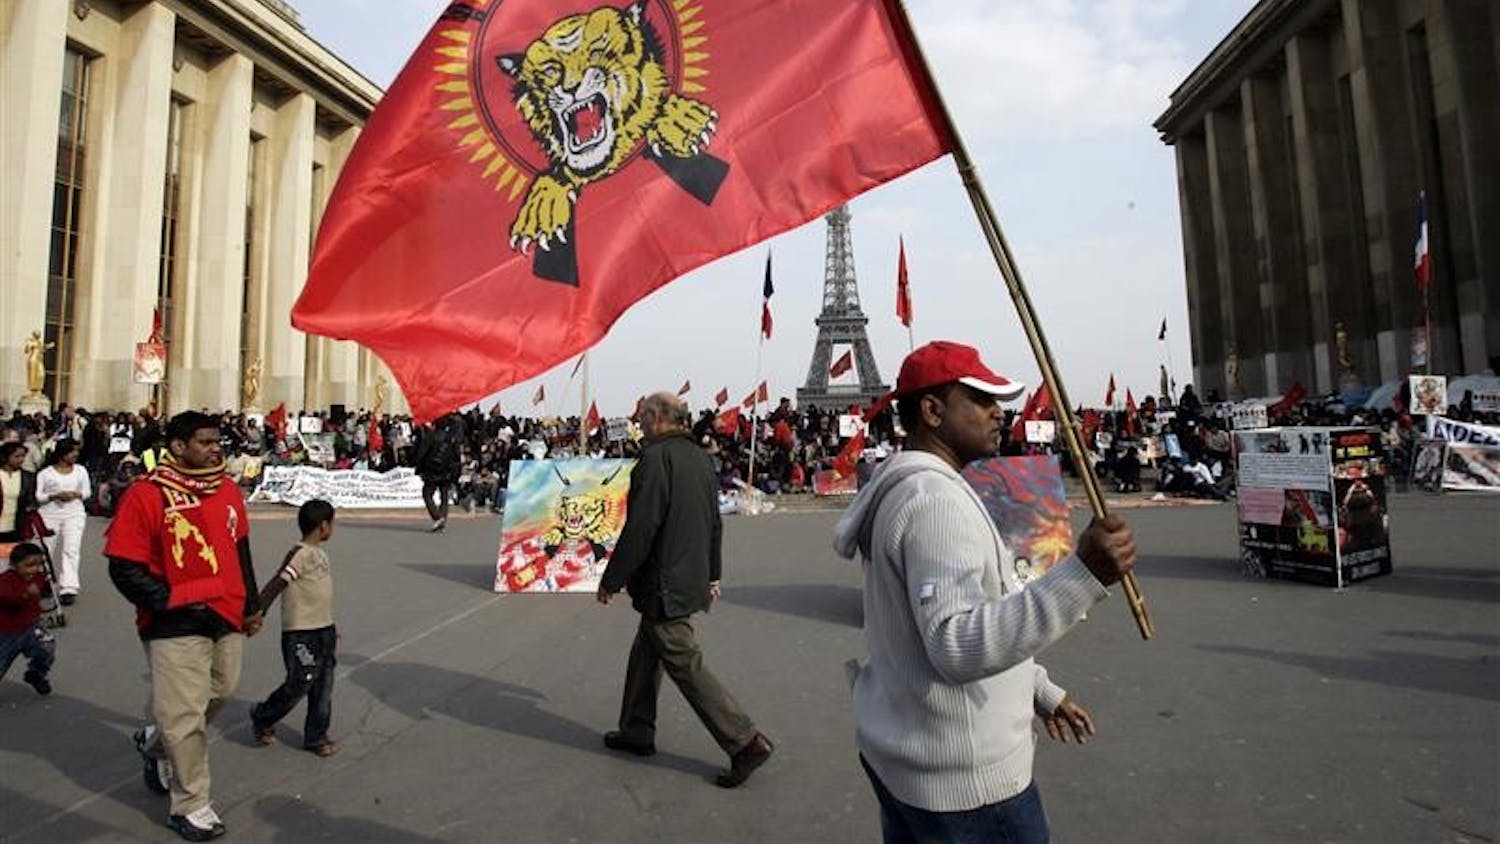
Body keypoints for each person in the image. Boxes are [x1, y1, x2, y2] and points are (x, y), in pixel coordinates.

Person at [832, 340, 1138, 843]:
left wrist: (1038, 690)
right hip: (968, 789)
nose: (999, 413)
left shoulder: (911, 490)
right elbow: (955, 642)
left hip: (918, 764)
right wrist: (1083, 575)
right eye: (980, 399)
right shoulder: (936, 503)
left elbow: (948, 622)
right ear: (932, 410)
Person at [596, 392, 774, 789]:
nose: (638, 424)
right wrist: (712, 573)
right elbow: (715, 523)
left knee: (682, 660)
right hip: (687, 575)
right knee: (648, 650)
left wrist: (612, 578)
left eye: (642, 417)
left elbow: (642, 527)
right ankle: (636, 729)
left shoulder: (656, 460)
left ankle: (744, 741)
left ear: (659, 418)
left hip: (664, 580)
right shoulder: (698, 458)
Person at [106, 410, 262, 842]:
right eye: (206, 443)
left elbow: (240, 548)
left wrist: (250, 603)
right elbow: (124, 567)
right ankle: (191, 805)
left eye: (218, 443)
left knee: (221, 691)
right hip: (174, 622)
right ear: (177, 447)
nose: (216, 449)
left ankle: (156, 744)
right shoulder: (146, 495)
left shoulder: (228, 489)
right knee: (185, 715)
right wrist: (169, 603)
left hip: (226, 612)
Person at [251, 499, 340, 757]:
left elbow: (320, 594)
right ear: (323, 526)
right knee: (301, 681)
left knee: (323, 686)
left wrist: (331, 628)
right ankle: (263, 715)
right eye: (332, 524)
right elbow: (277, 583)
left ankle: (316, 736)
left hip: (324, 630)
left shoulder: (321, 554)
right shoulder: (299, 554)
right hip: (301, 633)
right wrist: (259, 612)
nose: (332, 529)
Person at [35, 439, 91, 605]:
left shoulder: (80, 470)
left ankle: (68, 587)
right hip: (49, 514)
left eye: (76, 451)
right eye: (72, 451)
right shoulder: (45, 473)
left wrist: (76, 495)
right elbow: (39, 496)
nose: (75, 454)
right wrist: (54, 496)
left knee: (71, 549)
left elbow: (87, 492)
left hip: (74, 513)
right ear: (62, 453)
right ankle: (44, 581)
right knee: (46, 549)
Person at [0, 542, 55, 695]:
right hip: (7, 632)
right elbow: (10, 599)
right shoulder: (5, 581)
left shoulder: (38, 577)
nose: (35, 569)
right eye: (29, 565)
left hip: (31, 627)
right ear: (14, 565)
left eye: (39, 564)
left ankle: (36, 674)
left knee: (46, 649)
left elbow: (39, 592)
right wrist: (25, 595)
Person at [414, 414, 462, 532]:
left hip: (431, 471)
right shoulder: (451, 438)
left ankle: (437, 517)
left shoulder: (431, 436)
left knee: (427, 494)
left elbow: (421, 454)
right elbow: (456, 457)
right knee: (444, 497)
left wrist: (418, 469)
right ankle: (442, 520)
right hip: (446, 471)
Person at [0, 442, 38, 543]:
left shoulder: (28, 477)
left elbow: (31, 501)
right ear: (6, 457)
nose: (21, 459)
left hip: (16, 528)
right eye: (17, 456)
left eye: (23, 456)